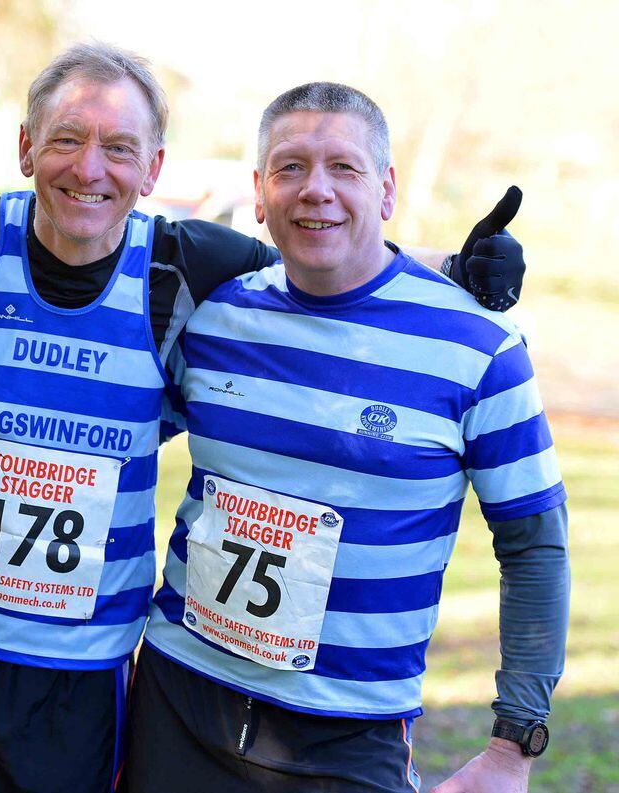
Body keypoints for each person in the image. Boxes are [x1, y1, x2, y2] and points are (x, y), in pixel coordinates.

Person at [0, 45, 527, 793]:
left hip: (76, 682)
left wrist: (454, 268)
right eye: (67, 140)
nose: (89, 168)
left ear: (153, 170)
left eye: (119, 147)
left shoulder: (188, 268)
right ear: (27, 148)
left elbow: (326, 249)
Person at [123, 83, 568, 793]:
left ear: (386, 189)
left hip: (348, 734)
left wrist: (514, 744)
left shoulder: (479, 347)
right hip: (177, 703)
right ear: (260, 196)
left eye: (344, 168)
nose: (316, 190)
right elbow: (116, 438)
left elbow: (535, 543)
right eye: (291, 168)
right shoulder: (215, 321)